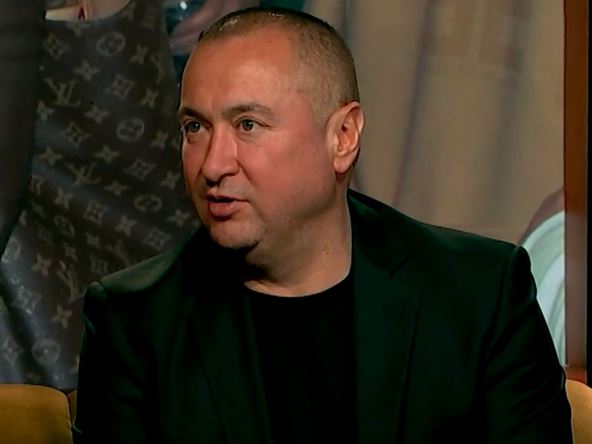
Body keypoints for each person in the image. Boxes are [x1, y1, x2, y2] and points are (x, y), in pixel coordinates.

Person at [72, 7, 572, 443]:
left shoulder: (480, 296)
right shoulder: (133, 321)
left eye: (248, 125)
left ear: (343, 136)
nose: (213, 164)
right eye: (195, 127)